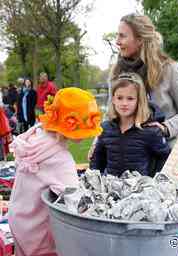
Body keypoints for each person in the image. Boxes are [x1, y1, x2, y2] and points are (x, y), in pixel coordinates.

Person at [8, 87, 102, 256]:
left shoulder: (35, 135)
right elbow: (76, 201)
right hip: (37, 230)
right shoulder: (61, 160)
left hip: (18, 218)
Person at [110, 13, 178, 149]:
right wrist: (98, 141)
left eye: (122, 36)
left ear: (140, 40)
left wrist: (166, 128)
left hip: (165, 157)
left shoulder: (170, 70)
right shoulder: (117, 73)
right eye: (117, 35)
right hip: (126, 156)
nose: (117, 41)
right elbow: (111, 115)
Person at [90, 72, 171, 177]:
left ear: (139, 101)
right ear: (113, 99)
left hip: (139, 191)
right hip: (110, 189)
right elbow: (97, 161)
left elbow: (165, 159)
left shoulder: (151, 131)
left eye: (130, 98)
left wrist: (153, 181)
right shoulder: (105, 129)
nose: (124, 103)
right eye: (119, 98)